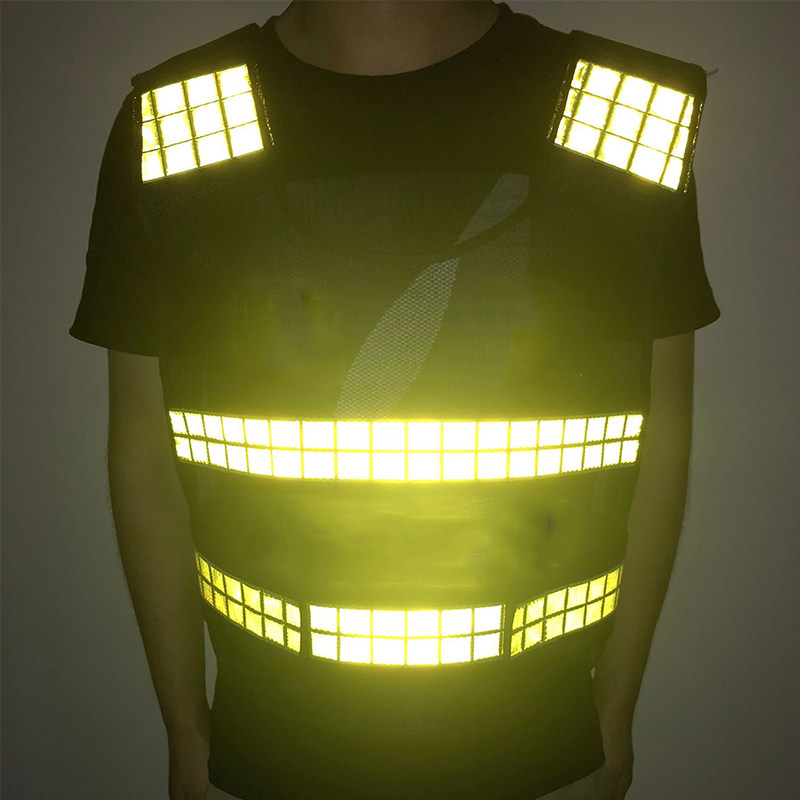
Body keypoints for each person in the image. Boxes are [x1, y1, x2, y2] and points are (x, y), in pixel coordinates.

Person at [69, 2, 720, 799]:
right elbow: (144, 448)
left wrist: (613, 715)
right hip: (266, 755)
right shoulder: (175, 124)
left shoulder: (626, 115)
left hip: (545, 755)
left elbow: (661, 435)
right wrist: (185, 730)